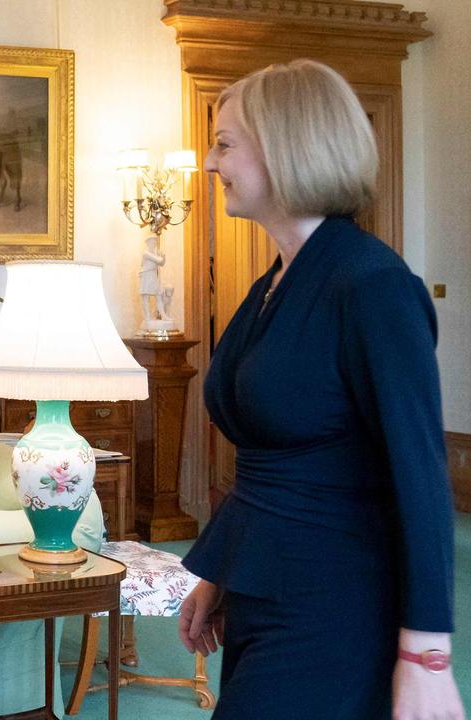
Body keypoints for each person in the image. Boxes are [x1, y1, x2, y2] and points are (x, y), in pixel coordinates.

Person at [178, 59, 462, 719]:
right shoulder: (272, 284)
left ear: (286, 146)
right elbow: (272, 461)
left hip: (334, 603)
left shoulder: (372, 285)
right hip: (265, 586)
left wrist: (427, 657)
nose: (212, 162)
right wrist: (223, 570)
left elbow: (420, 476)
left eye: (225, 143)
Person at [138, 234, 167, 324]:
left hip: (153, 275)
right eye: (152, 241)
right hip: (146, 275)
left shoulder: (154, 253)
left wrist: (163, 256)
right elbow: (158, 261)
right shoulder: (146, 253)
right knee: (146, 297)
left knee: (158, 295)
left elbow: (161, 264)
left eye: (155, 241)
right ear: (148, 243)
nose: (154, 243)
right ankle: (147, 317)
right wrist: (162, 256)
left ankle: (163, 315)